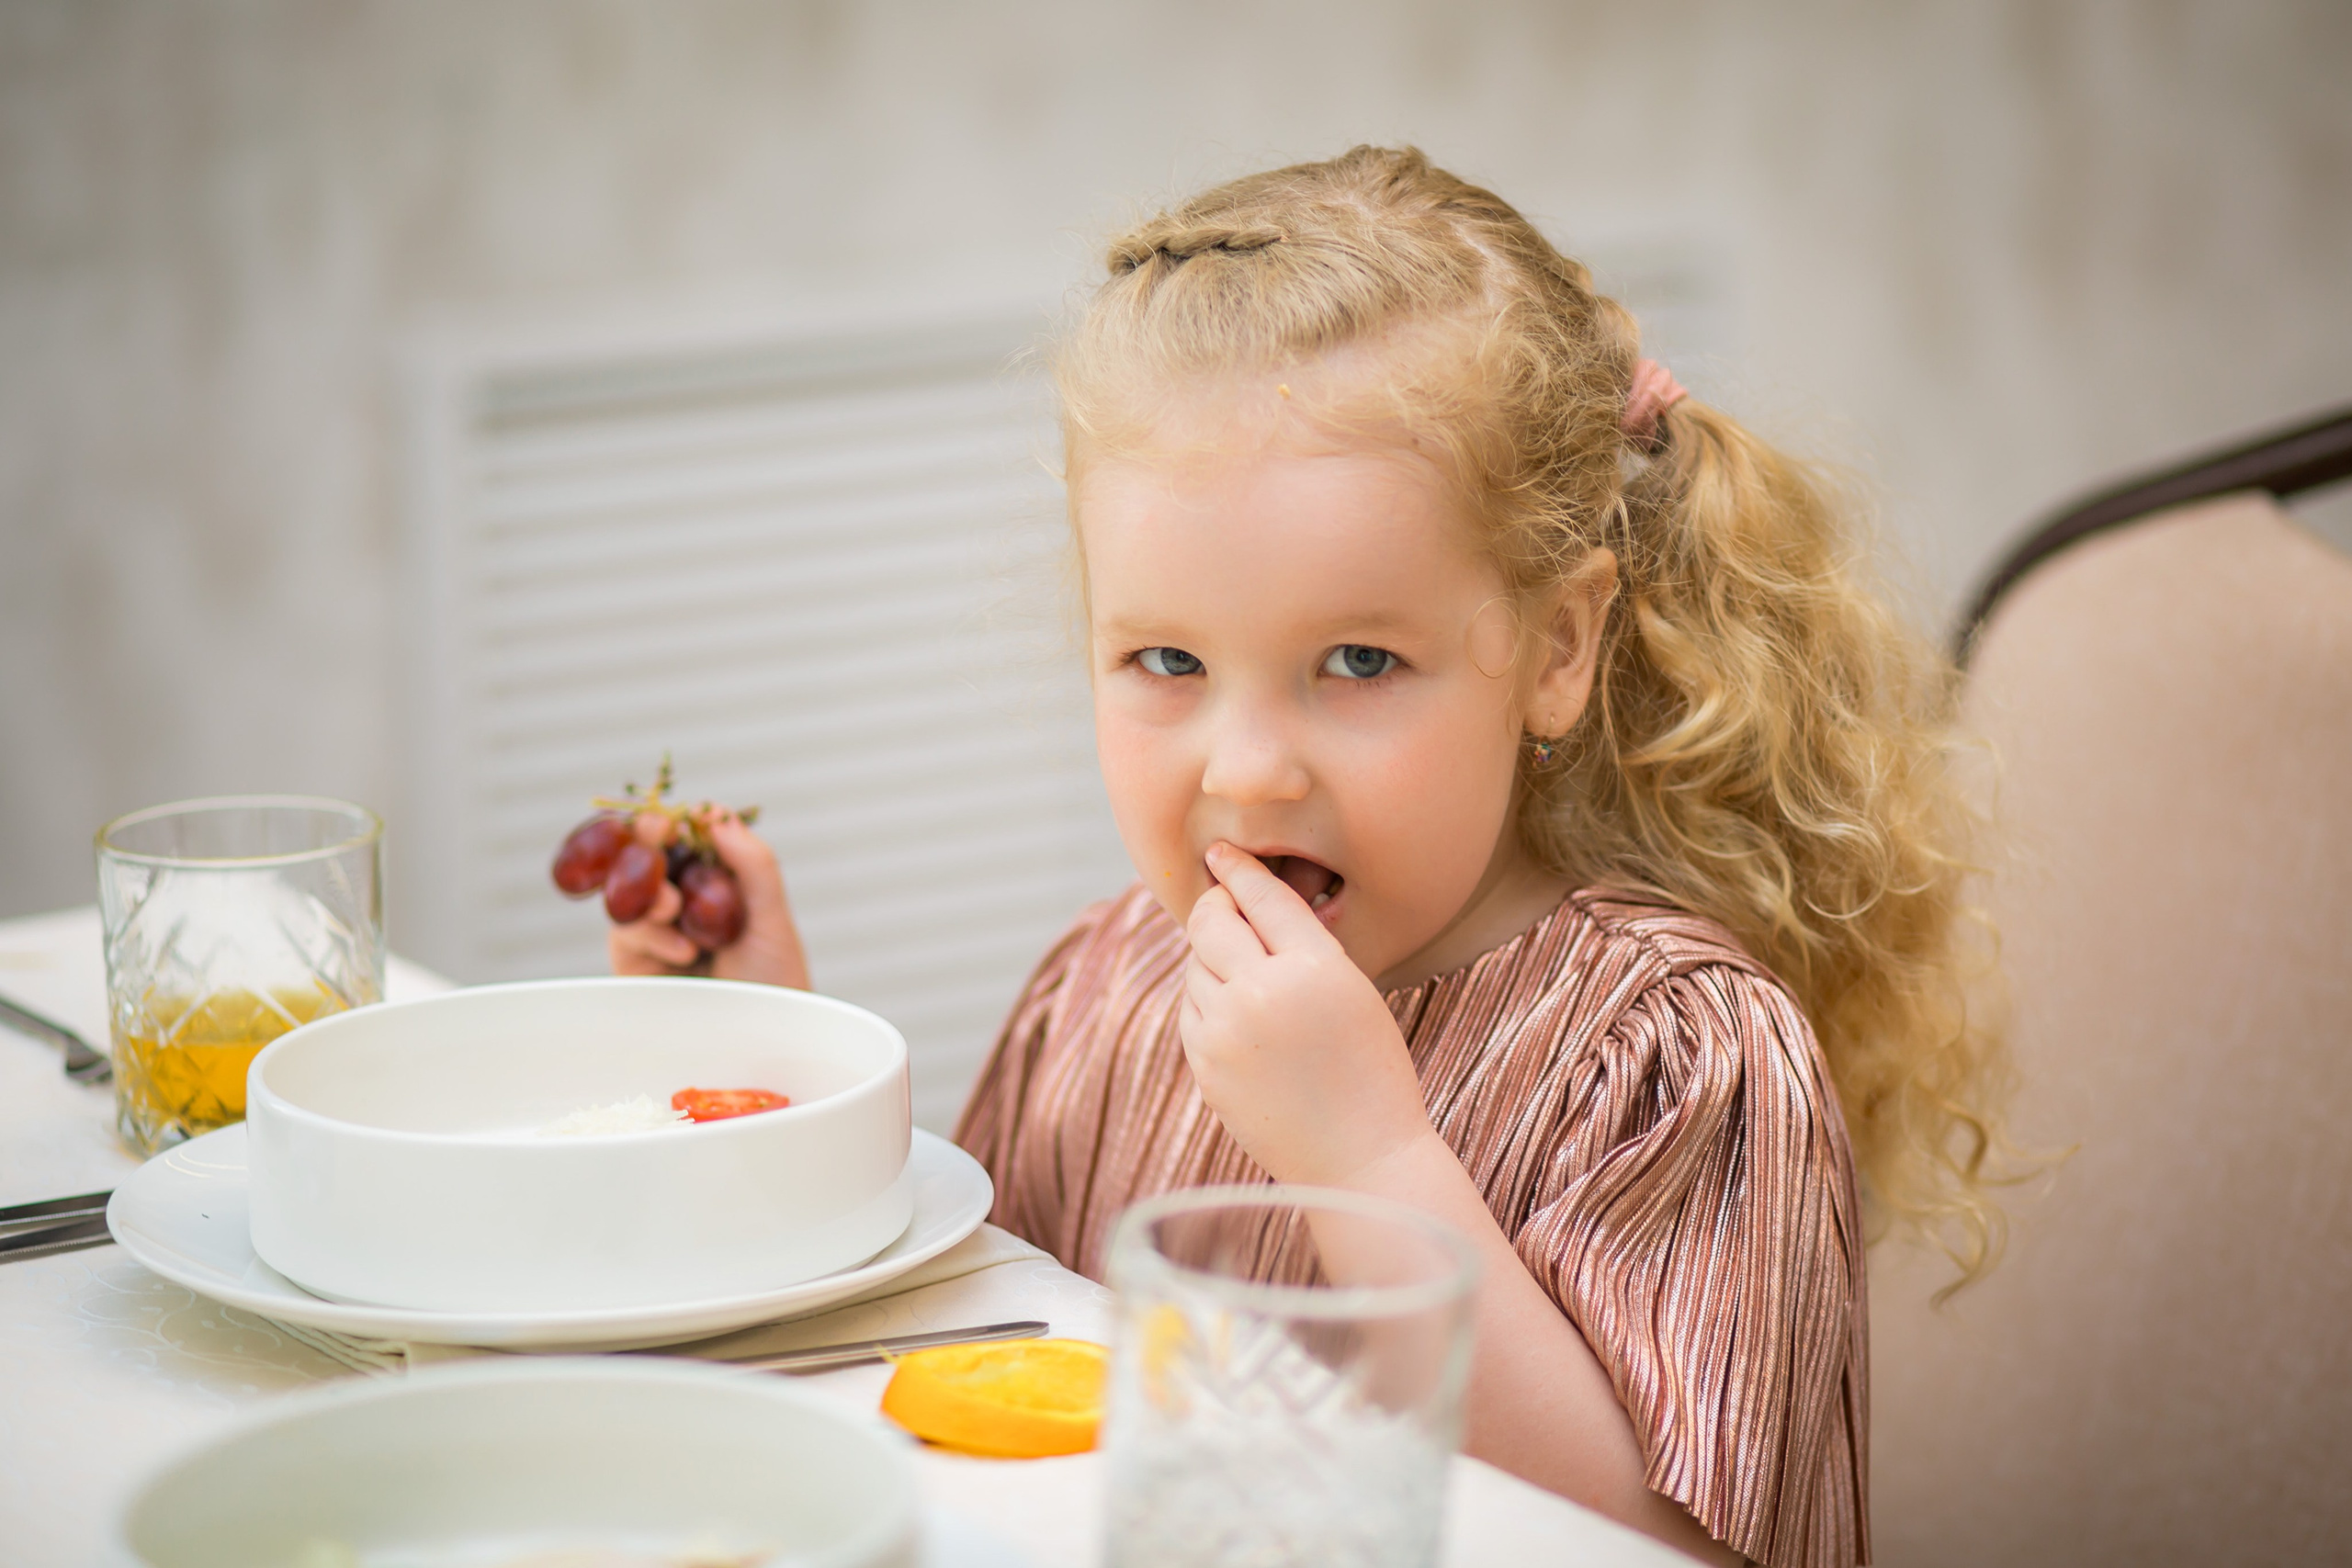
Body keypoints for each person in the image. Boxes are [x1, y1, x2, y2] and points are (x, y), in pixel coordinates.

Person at [609, 146, 2007, 1568]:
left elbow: (1653, 1549)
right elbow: (964, 1342)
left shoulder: (1676, 1057)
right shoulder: (1105, 988)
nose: (1247, 769)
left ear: (1556, 649)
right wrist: (770, 1048)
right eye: (1166, 659)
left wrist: (1372, 1156)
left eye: (1356, 661)